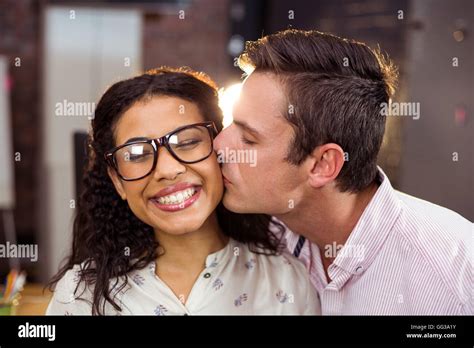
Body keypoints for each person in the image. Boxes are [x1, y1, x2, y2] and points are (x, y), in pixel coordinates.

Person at [214, 29, 472, 315]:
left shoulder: (454, 276)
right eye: (230, 123)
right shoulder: (254, 233)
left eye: (249, 139)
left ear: (323, 164)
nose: (219, 144)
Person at [46, 67, 320, 315]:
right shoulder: (80, 296)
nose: (167, 169)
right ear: (118, 181)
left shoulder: (289, 284)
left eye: (187, 142)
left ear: (220, 149)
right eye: (137, 154)